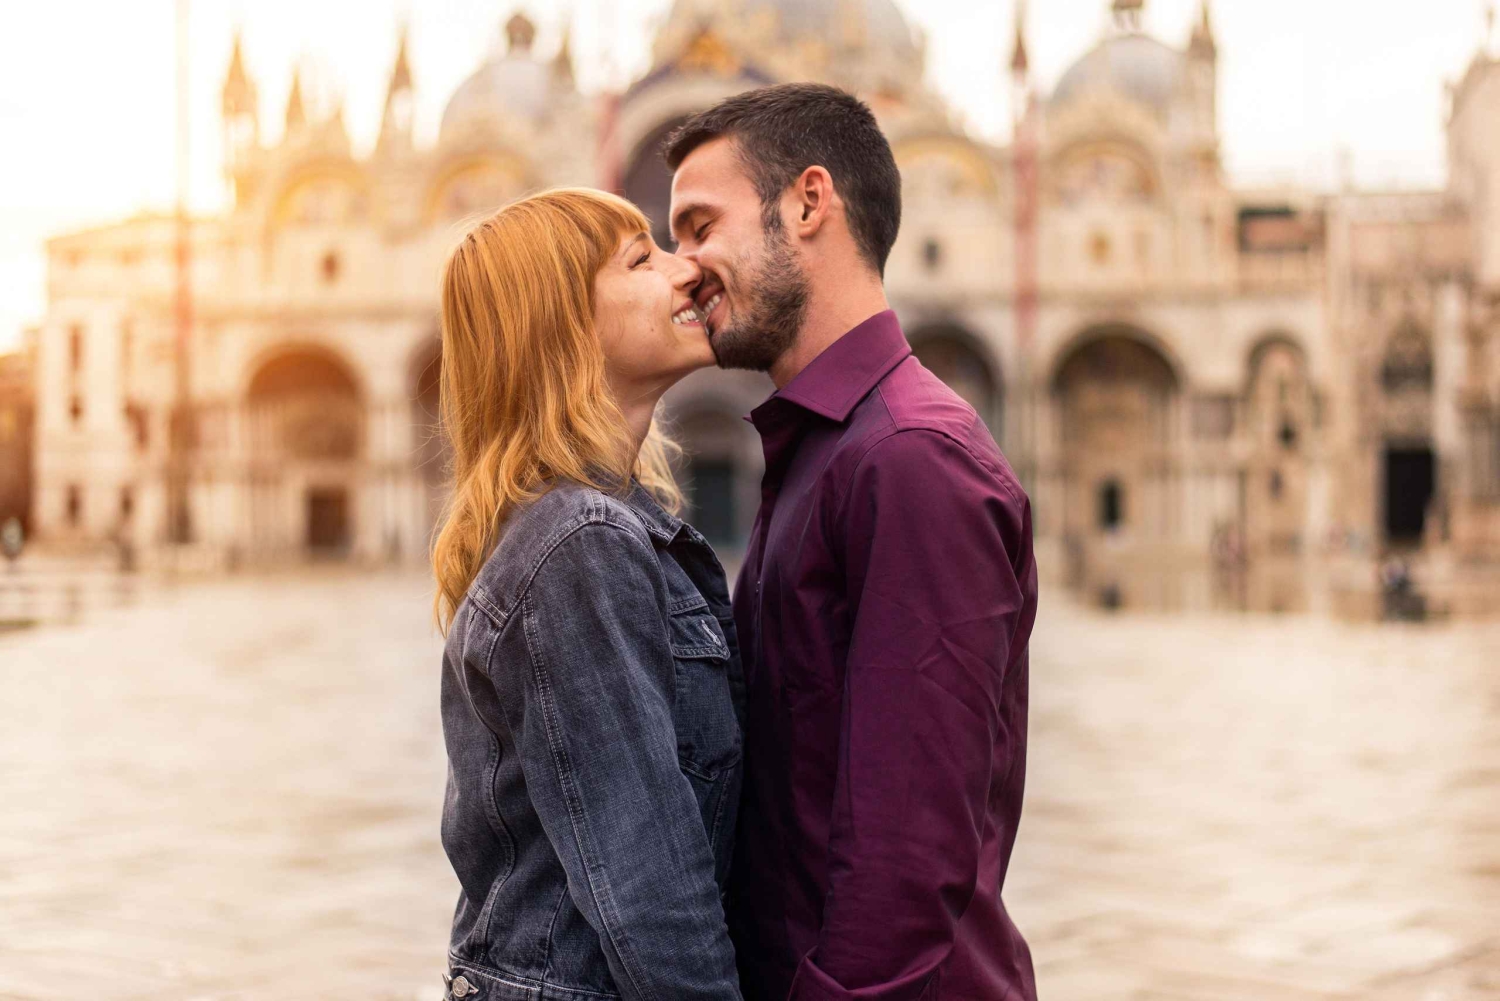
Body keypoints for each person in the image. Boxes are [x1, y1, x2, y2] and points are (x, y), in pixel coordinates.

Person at [668, 83, 1040, 1001]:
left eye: (700, 226)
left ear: (807, 202)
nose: (684, 269)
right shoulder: (826, 451)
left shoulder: (908, 460)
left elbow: (904, 864)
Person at [431, 188, 744, 1001]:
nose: (689, 271)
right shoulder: (579, 543)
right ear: (564, 329)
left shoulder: (605, 526)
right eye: (643, 259)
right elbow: (650, 890)